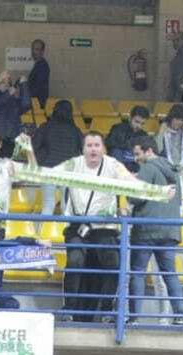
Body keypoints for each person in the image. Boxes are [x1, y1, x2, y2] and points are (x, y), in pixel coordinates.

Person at [52, 131, 130, 323]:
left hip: (105, 227)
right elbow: (47, 174)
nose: (93, 149)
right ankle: (68, 308)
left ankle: (106, 310)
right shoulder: (73, 164)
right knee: (75, 261)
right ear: (83, 148)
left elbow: (133, 184)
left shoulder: (113, 165)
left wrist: (159, 193)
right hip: (78, 224)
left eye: (97, 145)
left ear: (103, 148)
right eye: (89, 145)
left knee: (113, 262)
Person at [126, 134, 183, 325]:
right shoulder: (173, 171)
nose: (136, 159)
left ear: (149, 151)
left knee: (138, 272)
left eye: (137, 154)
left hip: (146, 230)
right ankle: (179, 316)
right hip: (170, 230)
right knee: (170, 273)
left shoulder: (148, 168)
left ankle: (134, 317)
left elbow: (134, 198)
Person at [27, 39, 50, 109]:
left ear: (42, 51)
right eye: (33, 49)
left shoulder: (43, 67)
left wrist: (23, 94)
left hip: (37, 103)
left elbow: (37, 88)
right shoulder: (38, 65)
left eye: (37, 49)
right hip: (34, 101)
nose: (34, 52)